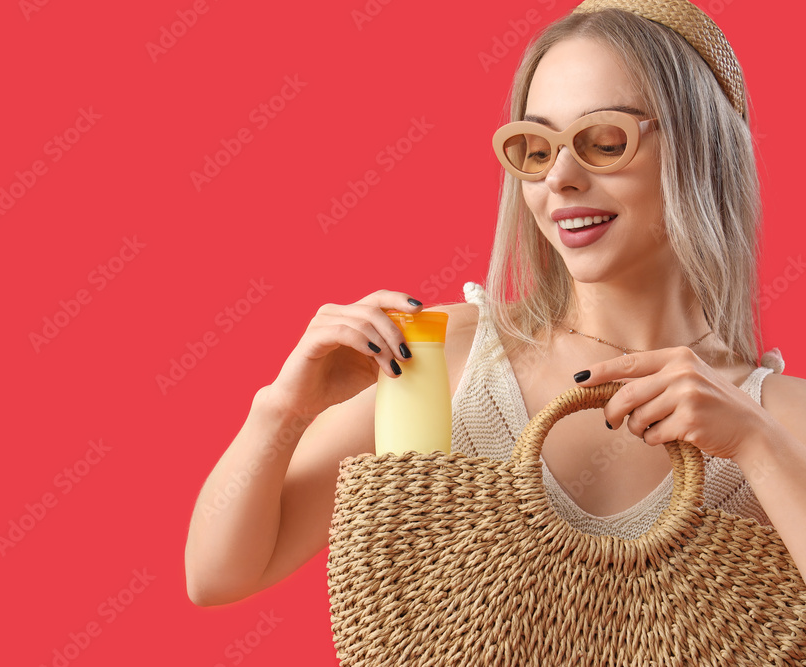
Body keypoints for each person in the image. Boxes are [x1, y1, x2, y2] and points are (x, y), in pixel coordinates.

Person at [185, 0, 806, 608]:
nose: (559, 177)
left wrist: (756, 445)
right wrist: (282, 412)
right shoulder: (444, 357)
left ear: (701, 150)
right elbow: (218, 576)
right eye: (536, 148)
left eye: (603, 139)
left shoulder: (784, 417)